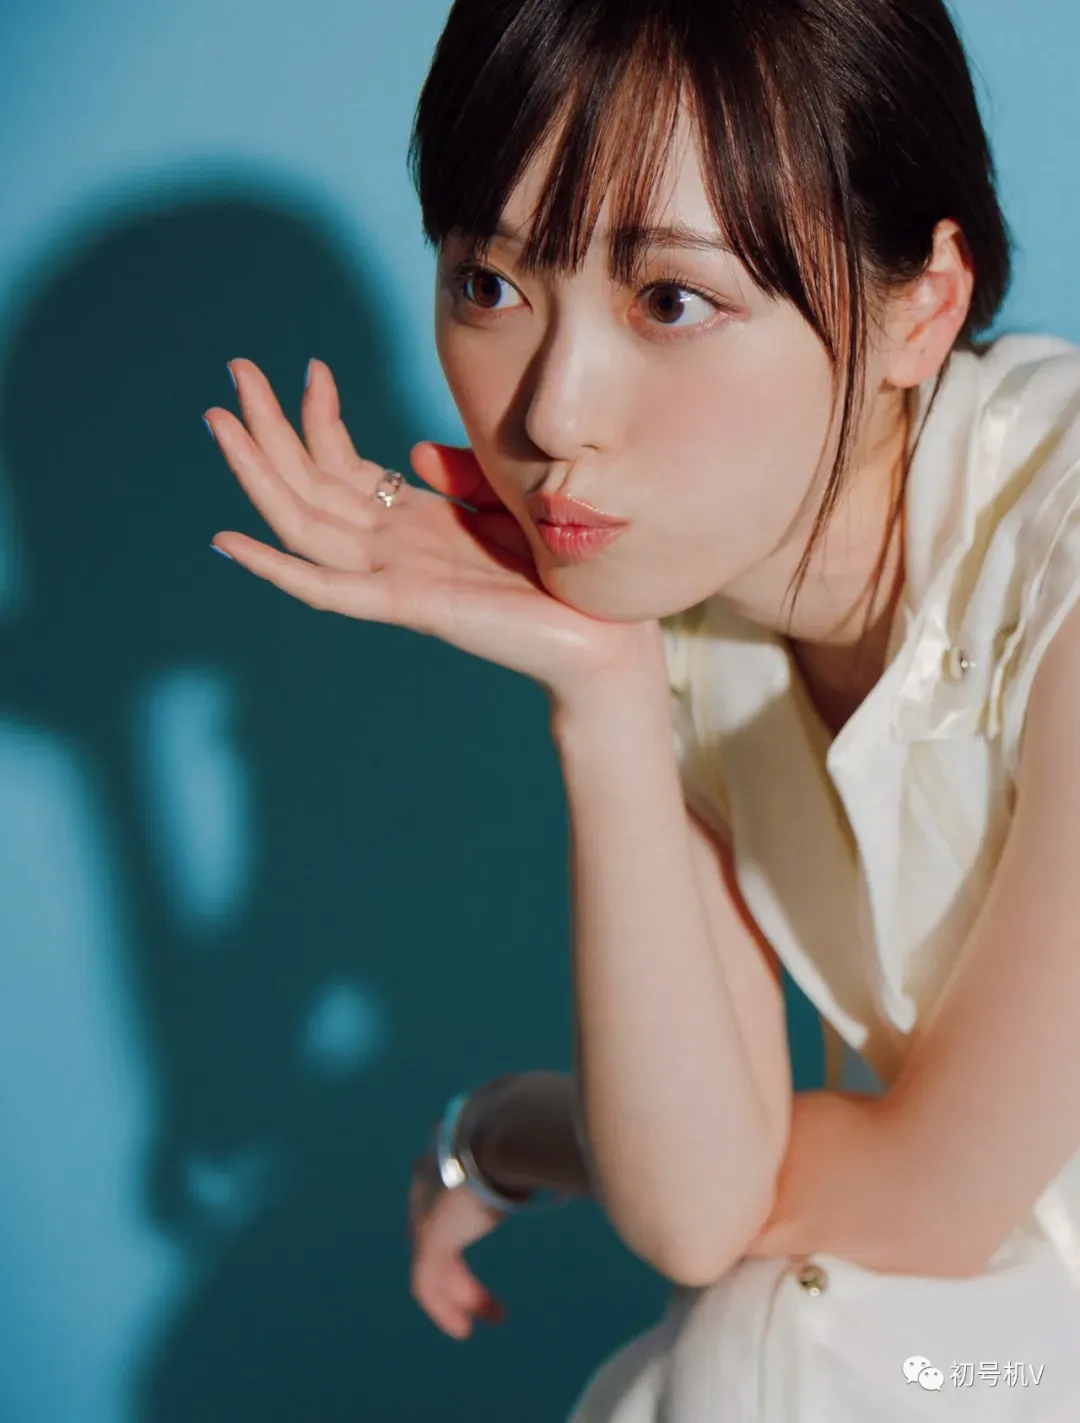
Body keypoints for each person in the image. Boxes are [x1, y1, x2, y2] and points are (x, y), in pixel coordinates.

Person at [202, 1, 1080, 1417]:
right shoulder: (679, 601)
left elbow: (931, 1200)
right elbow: (694, 1208)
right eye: (490, 283)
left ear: (922, 307)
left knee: (775, 1348)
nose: (552, 414)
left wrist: (520, 1129)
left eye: (671, 301)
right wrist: (600, 688)